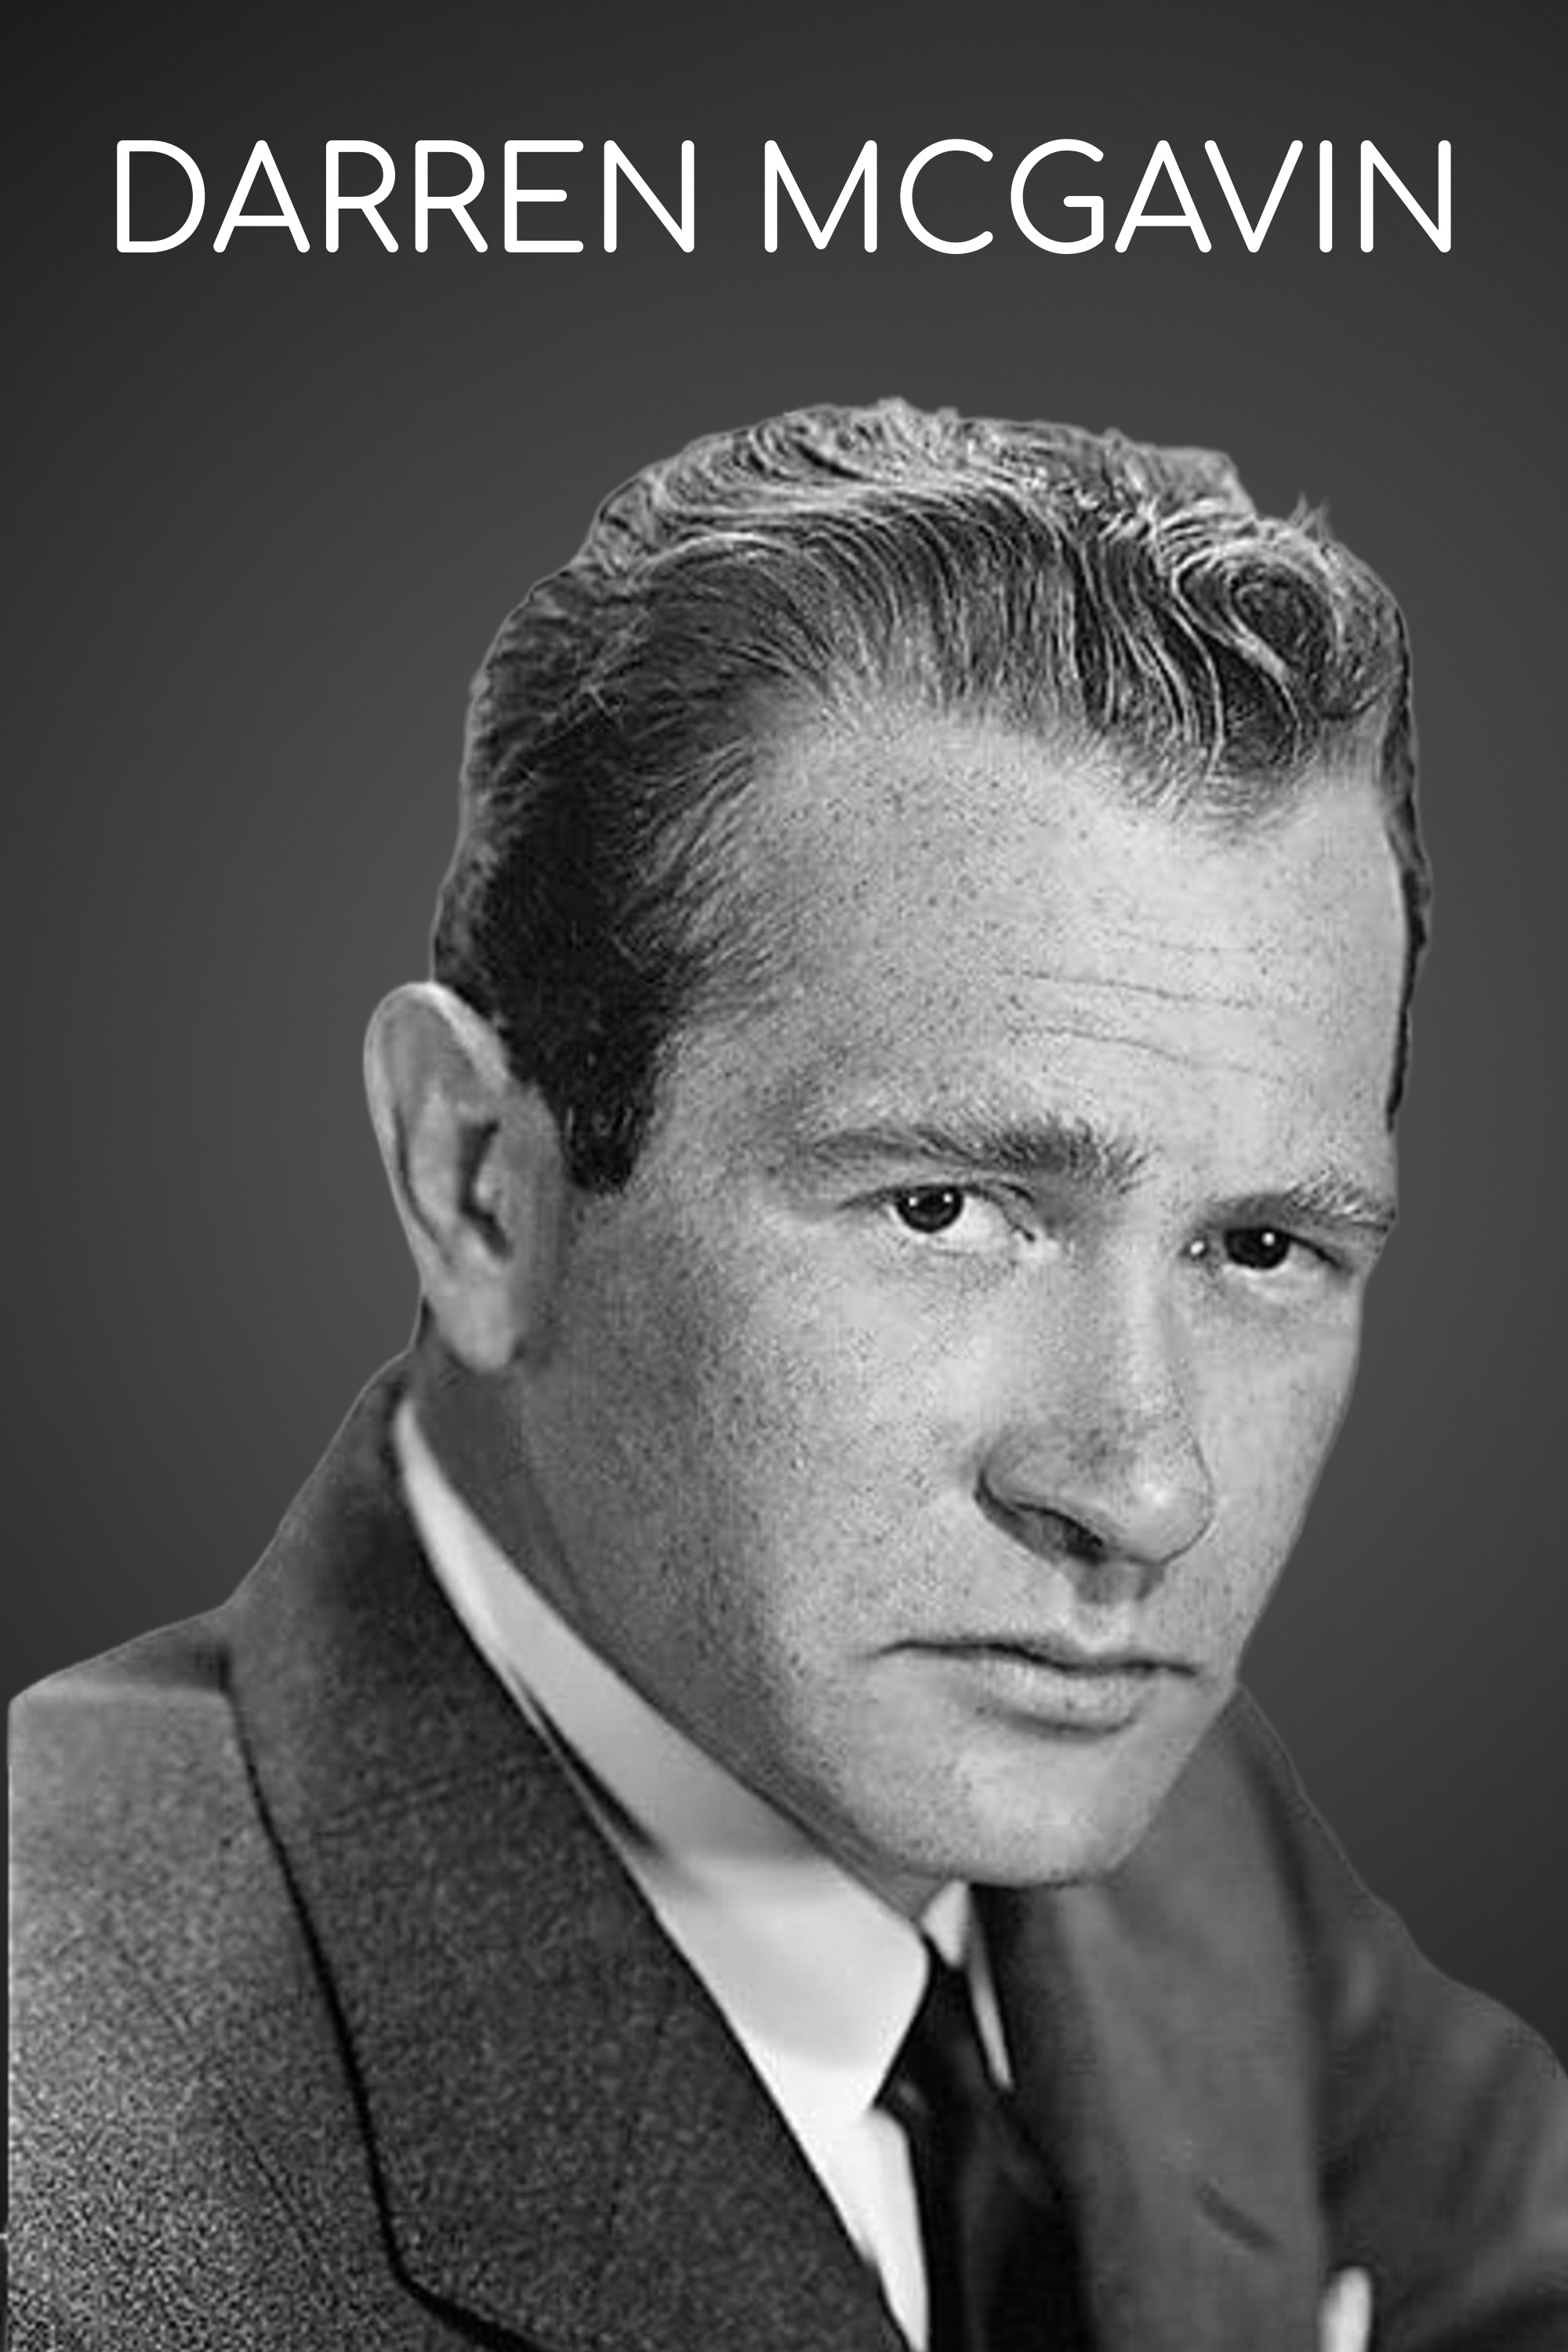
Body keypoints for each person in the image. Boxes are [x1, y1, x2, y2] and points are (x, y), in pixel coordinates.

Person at [11, 401, 1566, 2351]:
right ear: (480, 1184)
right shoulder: (51, 2185)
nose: (1145, 1492)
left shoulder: (1172, 1815)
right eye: (944, 1207)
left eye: (1261, 1249)